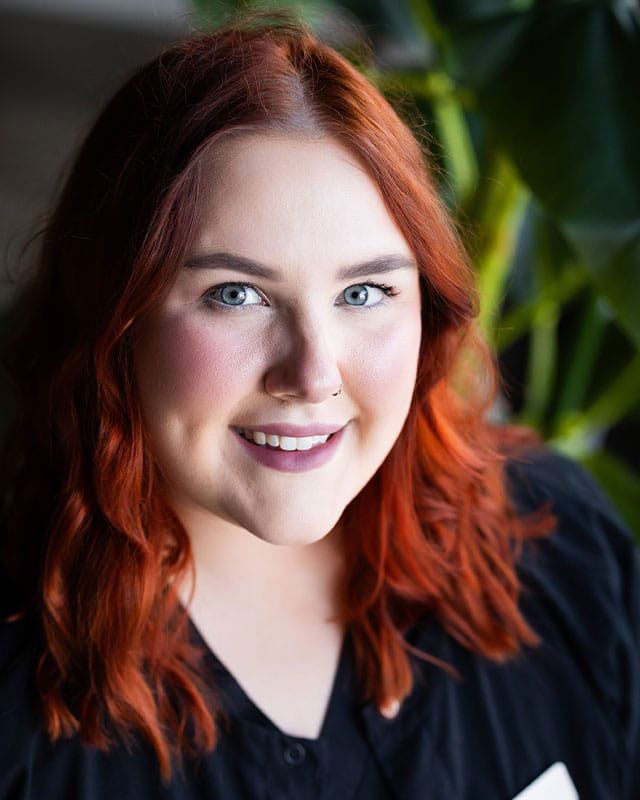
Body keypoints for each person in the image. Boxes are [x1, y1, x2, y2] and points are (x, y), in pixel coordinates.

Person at [0, 8, 638, 800]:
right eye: (236, 294)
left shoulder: (562, 548)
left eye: (363, 291)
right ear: (112, 318)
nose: (312, 374)